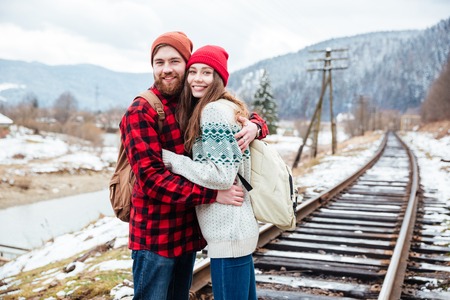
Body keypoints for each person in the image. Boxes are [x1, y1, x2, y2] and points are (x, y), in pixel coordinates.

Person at [119, 32, 268, 299]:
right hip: (157, 235)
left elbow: (235, 114)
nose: (166, 69)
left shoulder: (193, 103)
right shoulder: (142, 110)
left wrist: (256, 127)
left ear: (186, 65)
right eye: (159, 62)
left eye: (175, 61)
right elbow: (152, 180)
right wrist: (212, 194)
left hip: (187, 232)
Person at [162, 45, 259, 300]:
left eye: (206, 72)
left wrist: (173, 160)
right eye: (193, 71)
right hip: (237, 227)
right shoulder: (227, 107)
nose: (197, 78)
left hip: (228, 231)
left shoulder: (213, 111)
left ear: (218, 78)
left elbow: (222, 176)